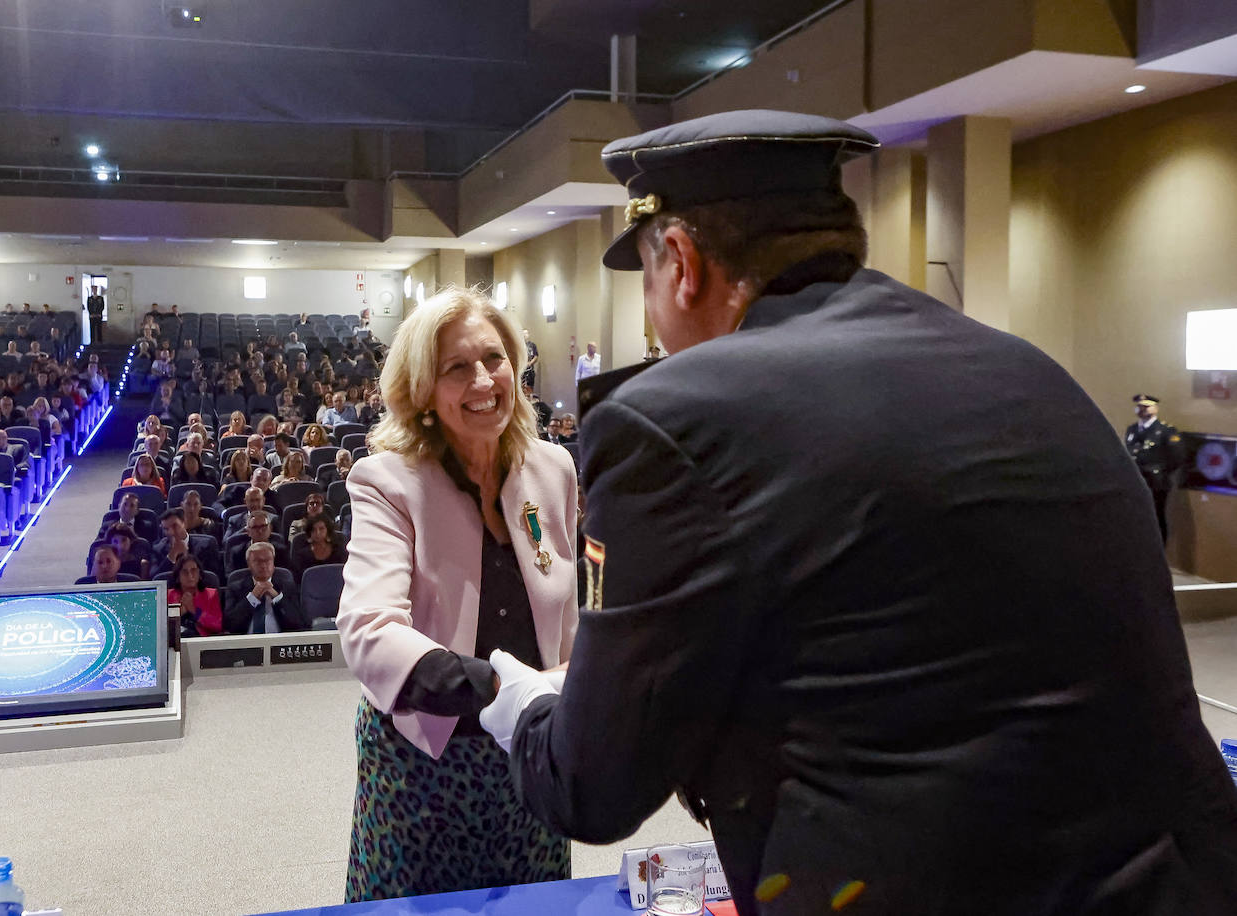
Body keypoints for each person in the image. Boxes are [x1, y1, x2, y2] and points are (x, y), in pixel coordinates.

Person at [478, 110, 1237, 916]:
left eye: (648, 283)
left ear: (682, 261)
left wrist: (524, 705)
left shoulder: (676, 414)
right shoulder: (1026, 370)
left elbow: (594, 785)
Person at [335, 287, 577, 902]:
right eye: (456, 368)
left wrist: (568, 689)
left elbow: (571, 608)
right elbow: (369, 630)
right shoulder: (387, 481)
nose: (483, 381)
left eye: (494, 359)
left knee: (535, 905)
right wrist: (498, 687)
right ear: (422, 391)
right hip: (424, 766)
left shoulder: (553, 470)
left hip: (531, 751)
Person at [1124, 394, 1185, 544]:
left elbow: (1177, 458)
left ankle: (1159, 554)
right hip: (1136, 481)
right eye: (1139, 406)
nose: (1142, 409)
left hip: (1156, 483)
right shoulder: (1132, 430)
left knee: (1156, 517)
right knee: (1136, 517)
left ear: (1155, 409)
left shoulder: (1165, 431)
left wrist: (1160, 472)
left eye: (1147, 406)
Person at [223, 542, 304, 634]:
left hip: (278, 642)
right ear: (249, 564)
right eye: (258, 561)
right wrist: (252, 598)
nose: (263, 565)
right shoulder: (236, 588)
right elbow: (230, 625)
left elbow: (298, 624)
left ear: (273, 564)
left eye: (268, 560)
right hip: (247, 643)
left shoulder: (287, 586)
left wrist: (277, 598)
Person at [168, 553, 223, 638]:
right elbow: (160, 626)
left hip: (201, 642)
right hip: (175, 641)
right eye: (184, 572)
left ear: (200, 575)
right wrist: (177, 614)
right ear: (178, 577)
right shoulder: (168, 595)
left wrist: (194, 610)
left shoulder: (211, 595)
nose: (190, 576)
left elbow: (217, 625)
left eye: (193, 570)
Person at [289, 512, 348, 577]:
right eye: (313, 530)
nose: (318, 533)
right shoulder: (303, 555)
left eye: (321, 529)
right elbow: (298, 579)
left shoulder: (338, 550)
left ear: (327, 530)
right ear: (309, 532)